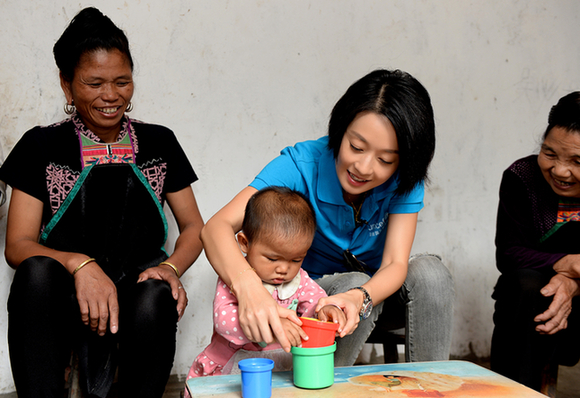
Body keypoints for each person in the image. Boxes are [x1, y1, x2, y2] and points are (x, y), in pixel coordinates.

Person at [0, 7, 204, 398]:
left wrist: (170, 267)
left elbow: (194, 227)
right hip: (64, 292)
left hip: (134, 290)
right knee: (35, 274)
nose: (111, 96)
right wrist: (80, 264)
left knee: (156, 294)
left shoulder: (159, 142)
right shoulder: (40, 146)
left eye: (122, 82)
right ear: (66, 84)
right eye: (94, 83)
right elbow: (18, 245)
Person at [200, 69, 454, 366]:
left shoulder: (405, 179)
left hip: (372, 295)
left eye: (385, 160)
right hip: (311, 302)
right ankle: (321, 386)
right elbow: (215, 228)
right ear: (340, 130)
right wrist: (250, 289)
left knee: (431, 274)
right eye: (356, 147)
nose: (364, 167)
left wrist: (361, 297)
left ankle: (430, 389)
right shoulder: (302, 164)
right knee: (353, 281)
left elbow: (395, 264)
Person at [185, 187, 345, 391]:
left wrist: (326, 310)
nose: (284, 268)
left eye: (296, 259)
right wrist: (272, 325)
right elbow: (224, 321)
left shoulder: (299, 279)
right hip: (232, 372)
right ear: (244, 243)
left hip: (281, 372)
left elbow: (314, 303)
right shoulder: (234, 277)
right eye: (272, 258)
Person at [491, 91, 580, 391]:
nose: (560, 171)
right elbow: (509, 253)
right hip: (535, 310)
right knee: (524, 284)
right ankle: (514, 394)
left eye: (577, 161)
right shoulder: (522, 178)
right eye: (550, 154)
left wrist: (574, 285)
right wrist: (565, 264)